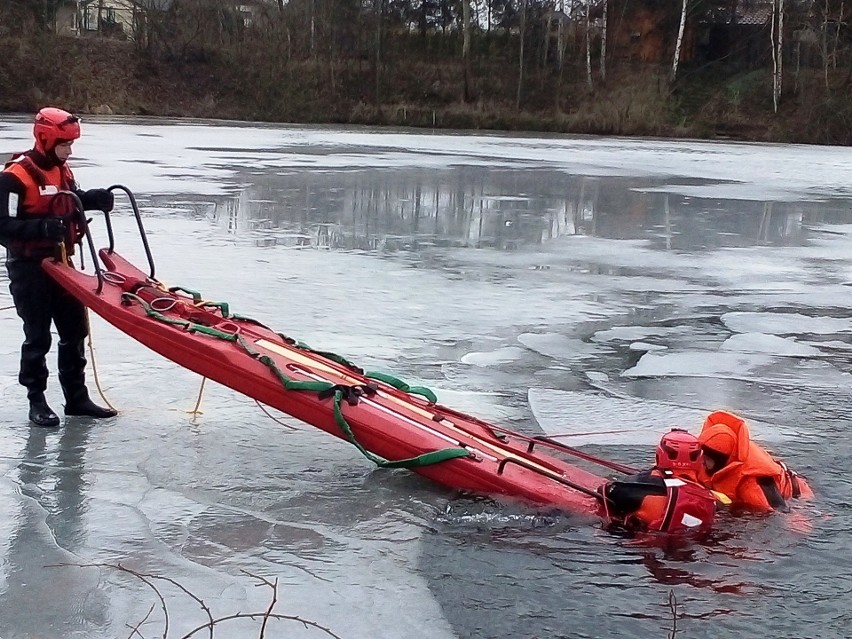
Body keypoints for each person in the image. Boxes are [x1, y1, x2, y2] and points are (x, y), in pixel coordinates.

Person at [0, 107, 118, 427]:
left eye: (70, 145)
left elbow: (70, 198)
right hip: (30, 268)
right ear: (45, 139)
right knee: (38, 336)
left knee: (75, 331)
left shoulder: (62, 169)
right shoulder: (14, 177)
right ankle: (36, 400)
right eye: (64, 144)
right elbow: (3, 226)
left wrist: (93, 199)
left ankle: (76, 398)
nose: (69, 151)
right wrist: (41, 229)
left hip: (63, 262)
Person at [599, 429, 718, 534]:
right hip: (688, 549)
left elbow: (606, 491)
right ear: (699, 459)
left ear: (659, 454)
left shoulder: (645, 486)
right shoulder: (708, 496)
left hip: (645, 549)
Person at [696, 410, 812, 512]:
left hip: (798, 497)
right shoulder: (715, 457)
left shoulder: (751, 483)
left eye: (707, 459)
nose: (701, 462)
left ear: (722, 460)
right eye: (701, 456)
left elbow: (775, 511)